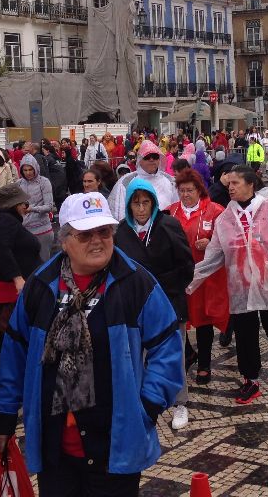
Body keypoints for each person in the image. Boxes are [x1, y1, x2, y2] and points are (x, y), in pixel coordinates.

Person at [0, 192, 183, 495]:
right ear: (65, 241)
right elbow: (15, 352)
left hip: (114, 445)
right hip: (55, 446)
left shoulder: (135, 282)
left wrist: (147, 406)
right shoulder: (41, 285)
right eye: (85, 234)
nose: (97, 241)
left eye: (104, 232)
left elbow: (167, 346)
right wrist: (3, 414)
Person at [187, 166, 268, 405]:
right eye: (228, 183)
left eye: (235, 183)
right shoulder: (225, 219)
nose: (230, 187)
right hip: (240, 286)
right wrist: (190, 280)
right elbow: (214, 255)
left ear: (251, 184)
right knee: (245, 334)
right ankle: (250, 379)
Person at [114, 178, 194, 429]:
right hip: (134, 307)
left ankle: (180, 403)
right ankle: (141, 401)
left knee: (174, 355)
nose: (141, 209)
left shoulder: (168, 225)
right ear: (129, 205)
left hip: (168, 302)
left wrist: (162, 288)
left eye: (145, 203)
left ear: (153, 203)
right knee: (136, 355)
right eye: (136, 203)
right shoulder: (121, 232)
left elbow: (186, 265)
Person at [168, 169, 228, 389]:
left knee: (203, 320)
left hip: (204, 278)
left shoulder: (215, 211)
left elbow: (227, 239)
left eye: (190, 190)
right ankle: (188, 354)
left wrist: (211, 241)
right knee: (177, 319)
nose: (185, 195)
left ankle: (204, 363)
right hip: (178, 276)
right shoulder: (171, 212)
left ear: (199, 190)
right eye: (182, 190)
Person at [0, 183, 42, 384]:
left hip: (4, 289)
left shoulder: (0, 221)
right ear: (14, 204)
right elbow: (1, 248)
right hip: (6, 290)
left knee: (6, 338)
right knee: (8, 339)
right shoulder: (5, 220)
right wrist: (17, 278)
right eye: (24, 203)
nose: (26, 207)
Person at [108, 141, 179, 220]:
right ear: (140, 160)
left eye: (155, 156)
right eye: (147, 157)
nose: (151, 160)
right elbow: (120, 211)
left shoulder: (169, 181)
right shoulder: (126, 181)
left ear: (159, 160)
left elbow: (177, 207)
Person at [18, 153, 56, 261]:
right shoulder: (18, 183)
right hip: (24, 230)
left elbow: (49, 206)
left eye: (30, 169)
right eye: (25, 170)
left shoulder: (44, 182)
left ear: (35, 168)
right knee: (26, 263)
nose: (28, 173)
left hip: (42, 229)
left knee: (43, 263)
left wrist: (32, 209)